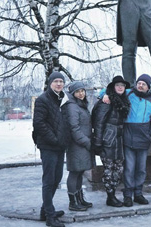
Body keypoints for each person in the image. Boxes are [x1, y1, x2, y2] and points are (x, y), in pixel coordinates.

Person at [32, 72, 70, 227]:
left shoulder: (63, 99)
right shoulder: (43, 100)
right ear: (50, 83)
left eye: (61, 81)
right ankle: (49, 216)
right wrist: (54, 139)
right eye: (56, 81)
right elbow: (39, 123)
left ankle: (45, 209)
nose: (59, 84)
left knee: (57, 178)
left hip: (60, 145)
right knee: (49, 180)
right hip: (48, 145)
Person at [92, 76, 131, 208]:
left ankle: (112, 194)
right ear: (113, 87)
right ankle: (110, 196)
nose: (120, 87)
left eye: (122, 85)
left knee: (118, 169)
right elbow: (99, 123)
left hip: (119, 140)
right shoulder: (106, 101)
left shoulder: (123, 100)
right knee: (109, 169)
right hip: (107, 139)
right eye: (117, 85)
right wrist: (98, 142)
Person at [121, 74, 151, 206]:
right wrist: (105, 95)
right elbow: (110, 90)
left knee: (141, 169)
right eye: (139, 83)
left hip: (144, 139)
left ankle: (138, 194)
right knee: (129, 168)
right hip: (129, 138)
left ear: (148, 87)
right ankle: (127, 195)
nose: (140, 85)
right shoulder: (128, 93)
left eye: (144, 84)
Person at [63, 81, 95, 212]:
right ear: (73, 93)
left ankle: (80, 199)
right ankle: (73, 202)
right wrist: (86, 142)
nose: (81, 93)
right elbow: (74, 128)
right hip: (77, 145)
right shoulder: (72, 106)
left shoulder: (80, 105)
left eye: (82, 91)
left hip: (82, 144)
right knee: (75, 172)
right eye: (77, 91)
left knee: (80, 172)